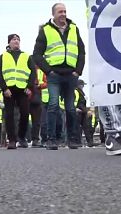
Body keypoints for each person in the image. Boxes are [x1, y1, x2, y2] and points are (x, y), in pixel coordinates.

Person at [33, 3, 85, 150]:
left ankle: (73, 139)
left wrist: (78, 71)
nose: (63, 14)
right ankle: (51, 139)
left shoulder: (74, 28)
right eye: (60, 12)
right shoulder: (46, 30)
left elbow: (81, 51)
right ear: (54, 14)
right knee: (53, 105)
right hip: (54, 75)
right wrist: (48, 71)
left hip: (71, 74)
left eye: (65, 11)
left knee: (70, 108)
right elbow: (37, 54)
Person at [0, 34, 36, 149]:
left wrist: (29, 87)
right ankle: (12, 140)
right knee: (9, 115)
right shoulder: (2, 57)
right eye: (14, 39)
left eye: (18, 39)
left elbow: (33, 73)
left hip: (22, 89)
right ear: (9, 43)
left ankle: (21, 137)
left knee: (24, 113)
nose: (16, 41)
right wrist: (4, 88)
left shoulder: (26, 56)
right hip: (9, 90)